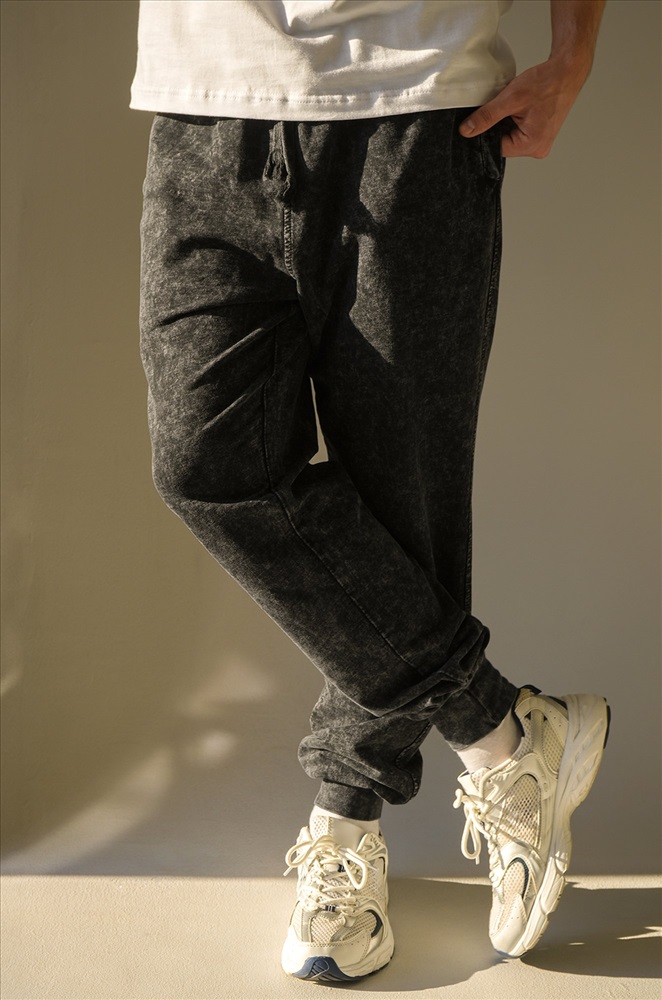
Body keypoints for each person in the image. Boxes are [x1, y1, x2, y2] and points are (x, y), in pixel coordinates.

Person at [131, 0, 609, 982]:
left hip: (419, 107)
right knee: (206, 464)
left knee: (403, 500)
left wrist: (574, 52)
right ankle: (502, 731)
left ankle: (343, 833)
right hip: (205, 105)